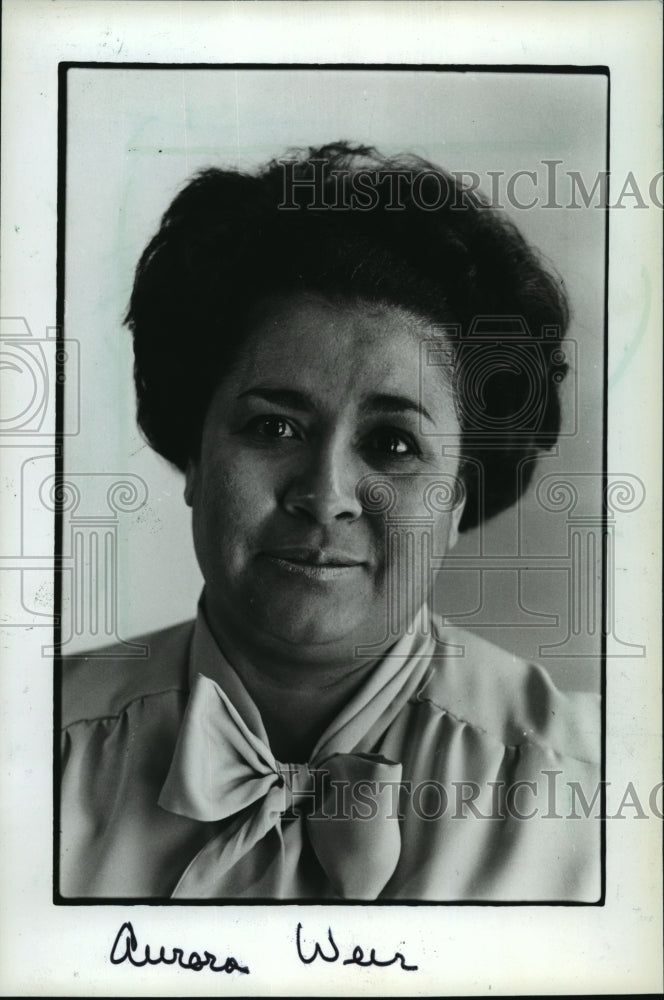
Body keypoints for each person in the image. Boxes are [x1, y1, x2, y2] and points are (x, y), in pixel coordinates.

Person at [60, 142, 600, 901]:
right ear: (195, 452)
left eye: (393, 444)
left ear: (459, 500)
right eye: (273, 428)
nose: (326, 493)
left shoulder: (596, 799)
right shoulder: (32, 749)